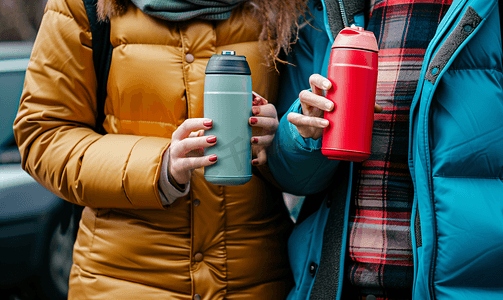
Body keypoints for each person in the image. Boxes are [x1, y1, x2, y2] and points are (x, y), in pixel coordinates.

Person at [13, 0, 308, 298]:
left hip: (257, 283)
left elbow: (308, 154)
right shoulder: (82, 4)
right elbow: (43, 134)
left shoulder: (283, 6)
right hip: (121, 283)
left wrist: (278, 136)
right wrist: (159, 166)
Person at [268, 0, 503, 299]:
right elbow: (293, 178)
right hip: (339, 285)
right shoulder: (323, 9)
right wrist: (304, 136)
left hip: (462, 286)